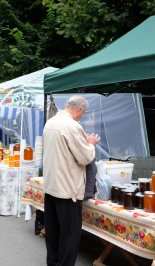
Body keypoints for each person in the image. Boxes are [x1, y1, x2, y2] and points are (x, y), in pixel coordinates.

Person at [43, 95, 100, 266]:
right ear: (79, 109)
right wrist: (91, 144)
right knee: (69, 234)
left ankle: (53, 263)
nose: (82, 116)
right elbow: (85, 157)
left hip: (52, 185)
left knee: (53, 231)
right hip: (68, 190)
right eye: (83, 113)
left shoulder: (51, 122)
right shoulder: (72, 126)